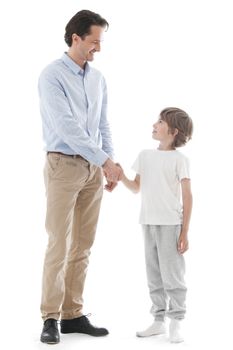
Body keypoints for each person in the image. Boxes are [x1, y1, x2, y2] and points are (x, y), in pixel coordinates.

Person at [38, 10, 122, 344]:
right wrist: (105, 160)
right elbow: (67, 128)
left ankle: (72, 313)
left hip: (93, 170)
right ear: (76, 38)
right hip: (63, 165)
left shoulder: (98, 78)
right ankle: (50, 317)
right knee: (59, 242)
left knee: (83, 245)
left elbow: (103, 124)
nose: (98, 48)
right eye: (94, 41)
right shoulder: (52, 76)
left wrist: (109, 162)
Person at [119, 107, 193, 343]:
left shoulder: (180, 160)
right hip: (148, 222)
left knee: (173, 275)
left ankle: (176, 322)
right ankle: (158, 321)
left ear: (173, 131)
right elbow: (136, 187)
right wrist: (121, 177)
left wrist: (185, 231)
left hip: (170, 224)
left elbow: (188, 196)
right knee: (154, 274)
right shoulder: (145, 156)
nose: (154, 124)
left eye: (160, 122)